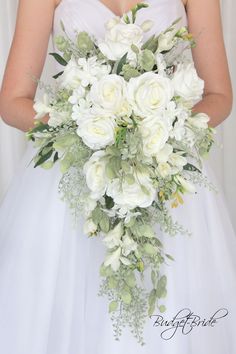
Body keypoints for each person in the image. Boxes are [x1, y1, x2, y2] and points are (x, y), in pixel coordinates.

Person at [0, 0, 235, 353]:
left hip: (165, 168)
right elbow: (12, 100)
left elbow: (220, 96)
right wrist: (83, 127)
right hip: (72, 176)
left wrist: (161, 126)